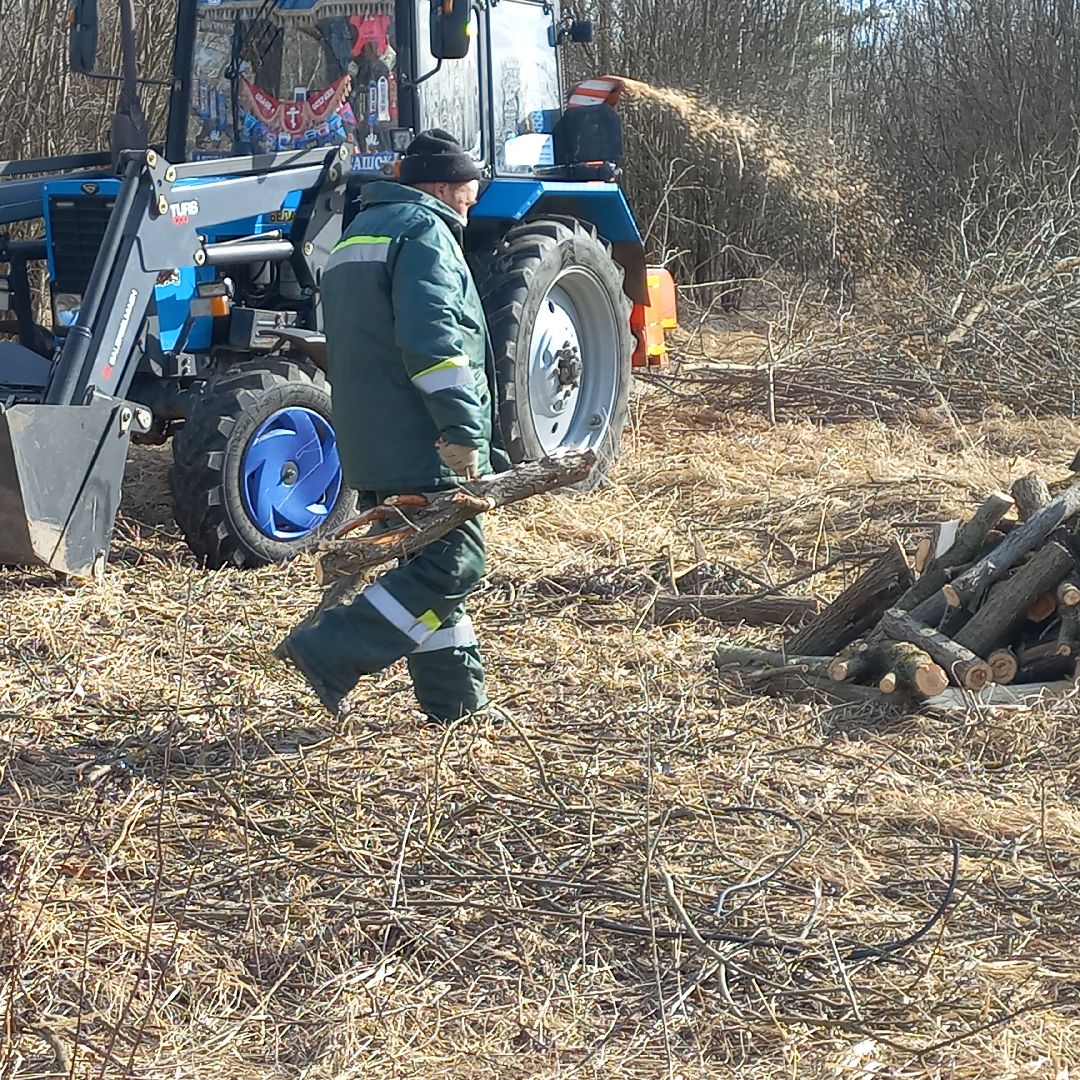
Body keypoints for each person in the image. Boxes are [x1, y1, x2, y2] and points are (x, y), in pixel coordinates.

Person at [275, 129, 508, 722]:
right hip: (420, 439)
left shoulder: (360, 230)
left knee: (424, 564)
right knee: (453, 565)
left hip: (373, 438)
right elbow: (438, 346)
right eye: (468, 191)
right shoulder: (425, 233)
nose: (472, 203)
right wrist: (463, 429)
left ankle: (456, 705)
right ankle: (331, 652)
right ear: (441, 185)